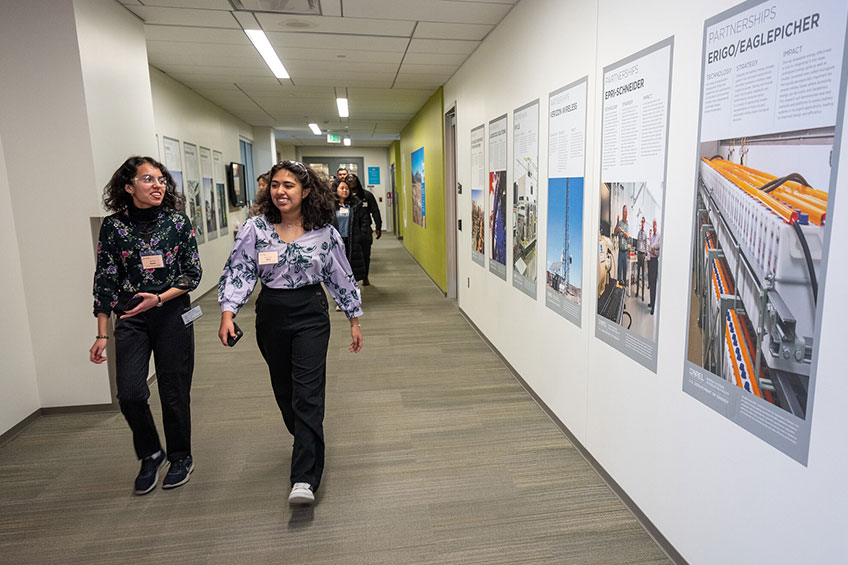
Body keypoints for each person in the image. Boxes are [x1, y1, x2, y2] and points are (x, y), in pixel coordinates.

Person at [218, 160, 363, 506]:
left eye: (289, 186)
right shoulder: (256, 228)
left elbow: (341, 275)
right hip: (271, 314)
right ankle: (306, 439)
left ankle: (304, 477)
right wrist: (228, 313)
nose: (280, 191)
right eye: (275, 185)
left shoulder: (324, 232)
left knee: (308, 393)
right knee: (285, 390)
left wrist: (353, 319)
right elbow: (239, 271)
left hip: (311, 311)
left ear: (307, 191)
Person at [90, 156, 202, 495]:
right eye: (148, 179)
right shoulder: (113, 227)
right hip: (130, 317)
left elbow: (192, 273)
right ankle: (151, 452)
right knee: (130, 392)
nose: (158, 185)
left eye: (161, 179)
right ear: (128, 187)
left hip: (171, 312)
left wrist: (160, 298)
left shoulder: (178, 222)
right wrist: (100, 332)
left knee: (173, 390)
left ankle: (180, 456)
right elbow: (105, 279)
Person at [346, 173, 382, 285]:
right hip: (348, 232)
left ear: (357, 181)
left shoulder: (367, 195)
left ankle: (365, 276)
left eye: (353, 179)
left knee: (365, 254)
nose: (351, 181)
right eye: (349, 180)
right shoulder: (344, 197)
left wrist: (378, 227)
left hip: (365, 230)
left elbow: (375, 211)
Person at [333, 178, 369, 284]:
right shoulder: (329, 205)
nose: (345, 190)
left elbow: (364, 221)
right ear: (335, 190)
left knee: (352, 267)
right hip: (336, 241)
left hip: (353, 240)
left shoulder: (355, 204)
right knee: (338, 268)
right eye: (342, 188)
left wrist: (361, 235)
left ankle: (351, 290)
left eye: (347, 188)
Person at [614, 205, 630, 287]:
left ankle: (624, 288)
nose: (626, 213)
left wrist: (622, 231)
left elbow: (627, 236)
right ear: (623, 212)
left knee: (625, 271)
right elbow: (614, 233)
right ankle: (619, 288)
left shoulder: (627, 224)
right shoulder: (619, 223)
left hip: (625, 251)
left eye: (627, 212)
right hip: (620, 252)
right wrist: (617, 223)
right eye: (625, 211)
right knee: (619, 271)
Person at [647, 219, 661, 315]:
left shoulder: (659, 237)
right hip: (650, 261)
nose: (654, 227)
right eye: (653, 225)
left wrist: (654, 252)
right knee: (651, 283)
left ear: (657, 226)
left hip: (655, 262)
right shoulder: (652, 237)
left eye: (655, 225)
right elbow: (650, 248)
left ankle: (653, 307)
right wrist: (649, 251)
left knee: (654, 285)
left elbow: (658, 252)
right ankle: (651, 302)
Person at [636, 216, 648, 300]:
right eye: (641, 221)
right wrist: (637, 251)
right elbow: (637, 242)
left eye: (643, 222)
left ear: (645, 223)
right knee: (637, 275)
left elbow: (646, 244)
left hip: (643, 255)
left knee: (642, 276)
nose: (642, 223)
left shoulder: (645, 234)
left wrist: (645, 253)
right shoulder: (638, 233)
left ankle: (643, 295)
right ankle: (637, 292)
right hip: (638, 254)